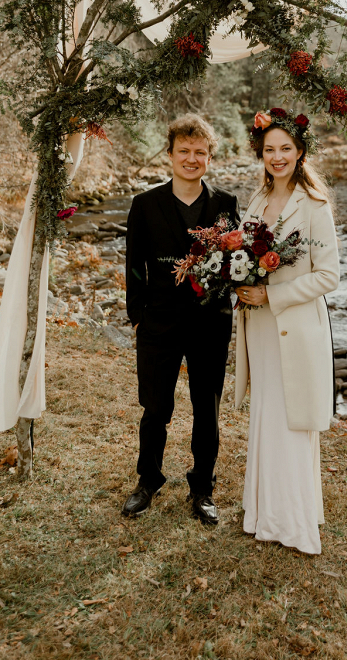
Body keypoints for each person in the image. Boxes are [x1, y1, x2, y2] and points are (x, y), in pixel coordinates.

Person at [122, 114, 239, 524]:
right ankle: (148, 480)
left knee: (207, 410)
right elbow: (135, 265)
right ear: (170, 154)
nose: (192, 158)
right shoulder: (145, 204)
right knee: (156, 408)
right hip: (158, 323)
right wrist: (137, 316)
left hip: (210, 323)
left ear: (210, 157)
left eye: (200, 152)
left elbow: (235, 263)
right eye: (184, 151)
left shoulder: (226, 205)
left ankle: (202, 488)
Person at [234, 109, 339, 554]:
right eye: (270, 149)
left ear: (300, 153)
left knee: (292, 421)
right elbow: (241, 255)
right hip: (258, 328)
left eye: (286, 149)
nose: (277, 157)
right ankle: (263, 513)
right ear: (261, 152)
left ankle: (294, 523)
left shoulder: (314, 207)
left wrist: (272, 296)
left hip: (292, 327)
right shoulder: (256, 203)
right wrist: (237, 280)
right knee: (267, 416)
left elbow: (328, 276)